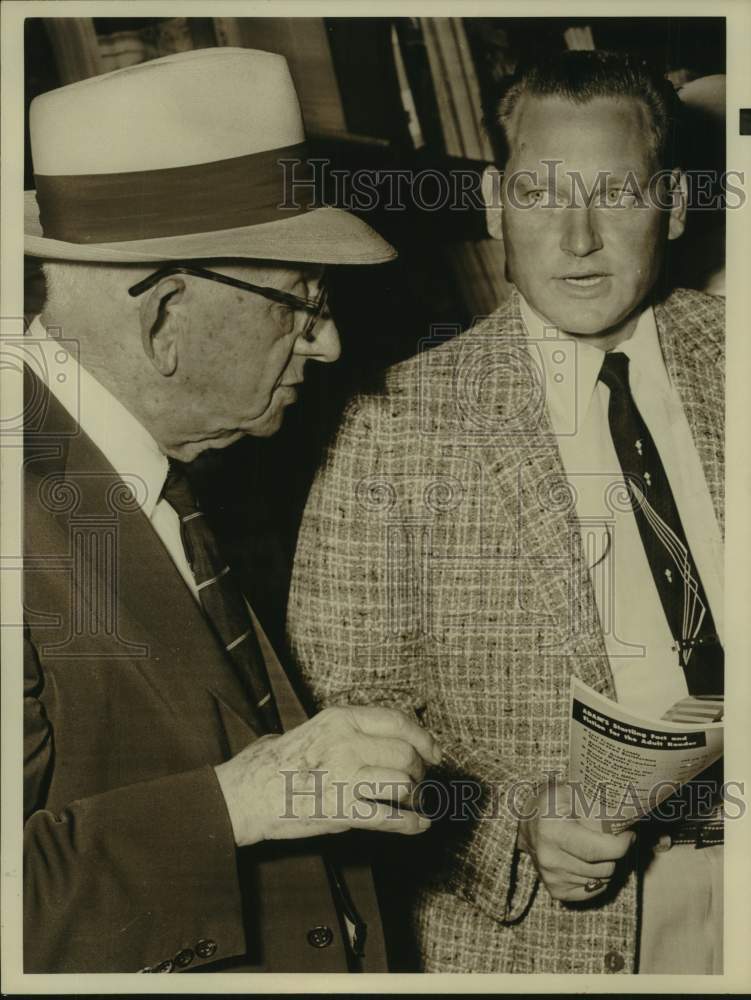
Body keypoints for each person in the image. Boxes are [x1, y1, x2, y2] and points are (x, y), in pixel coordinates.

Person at [287, 50, 724, 974]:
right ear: (493, 203)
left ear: (676, 205)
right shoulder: (392, 423)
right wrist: (514, 823)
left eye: (613, 194)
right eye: (539, 195)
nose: (576, 240)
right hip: (551, 936)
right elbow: (356, 713)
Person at [22, 47, 441, 974]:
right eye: (301, 301)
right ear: (164, 319)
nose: (326, 344)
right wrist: (239, 802)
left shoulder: (155, 466)